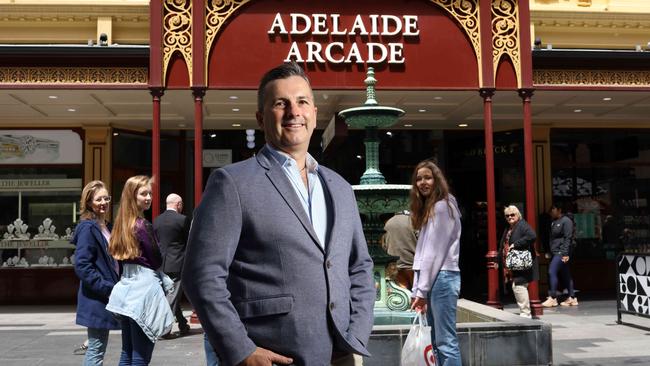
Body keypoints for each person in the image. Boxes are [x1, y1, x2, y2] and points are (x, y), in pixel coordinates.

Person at [183, 62, 375, 366]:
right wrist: (240, 349)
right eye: (280, 103)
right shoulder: (232, 183)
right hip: (271, 356)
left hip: (342, 353)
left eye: (301, 102)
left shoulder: (339, 187)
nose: (293, 112)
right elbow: (201, 275)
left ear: (313, 113)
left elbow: (360, 266)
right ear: (261, 118)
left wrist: (358, 333)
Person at [106, 175, 174, 365]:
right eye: (143, 193)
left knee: (127, 352)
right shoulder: (142, 225)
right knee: (140, 356)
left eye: (150, 193)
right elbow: (156, 259)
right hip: (144, 290)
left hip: (126, 289)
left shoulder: (120, 226)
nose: (149, 197)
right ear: (132, 196)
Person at [409, 160, 462, 366]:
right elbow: (423, 255)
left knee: (445, 341)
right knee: (436, 342)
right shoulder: (433, 208)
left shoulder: (442, 207)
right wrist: (417, 288)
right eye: (419, 178)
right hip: (436, 278)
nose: (423, 182)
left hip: (442, 277)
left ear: (437, 180)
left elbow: (433, 254)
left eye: (427, 177)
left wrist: (420, 290)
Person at [72, 180, 120, 365]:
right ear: (89, 202)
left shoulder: (106, 226)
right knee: (96, 349)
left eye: (106, 198)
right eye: (98, 199)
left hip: (108, 296)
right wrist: (107, 287)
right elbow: (82, 265)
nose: (103, 203)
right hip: (97, 298)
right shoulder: (87, 228)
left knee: (97, 346)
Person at [153, 193, 192, 338]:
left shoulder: (156, 221)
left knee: (172, 295)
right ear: (179, 204)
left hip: (161, 264)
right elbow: (189, 242)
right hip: (178, 263)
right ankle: (164, 330)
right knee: (172, 297)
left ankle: (182, 324)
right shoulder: (182, 220)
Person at [500, 205, 537, 318]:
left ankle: (525, 313)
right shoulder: (509, 228)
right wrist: (498, 259)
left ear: (518, 215)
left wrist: (516, 244)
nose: (510, 217)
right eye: (507, 215)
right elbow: (502, 244)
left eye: (512, 215)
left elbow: (532, 236)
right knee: (518, 286)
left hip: (521, 262)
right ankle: (525, 312)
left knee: (519, 286)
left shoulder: (522, 225)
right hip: (515, 263)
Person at [542, 203, 578, 307]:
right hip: (555, 251)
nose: (551, 211)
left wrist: (565, 253)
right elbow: (552, 239)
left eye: (553, 209)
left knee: (551, 271)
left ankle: (553, 297)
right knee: (566, 274)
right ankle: (572, 297)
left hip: (561, 252)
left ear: (559, 210)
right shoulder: (553, 222)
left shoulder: (566, 221)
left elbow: (568, 238)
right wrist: (549, 251)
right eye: (550, 209)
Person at [383, 211, 417, 289]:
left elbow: (384, 245)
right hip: (412, 263)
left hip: (394, 265)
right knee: (416, 295)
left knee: (401, 294)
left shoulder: (388, 223)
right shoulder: (413, 221)